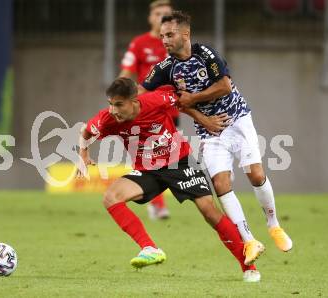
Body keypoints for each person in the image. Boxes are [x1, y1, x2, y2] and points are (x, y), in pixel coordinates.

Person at [140, 11, 293, 261]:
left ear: (185, 34)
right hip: (210, 132)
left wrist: (192, 99)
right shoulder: (165, 68)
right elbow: (143, 93)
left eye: (169, 35)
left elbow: (225, 86)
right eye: (161, 36)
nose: (164, 40)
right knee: (220, 184)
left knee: (255, 174)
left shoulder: (206, 54)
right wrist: (199, 117)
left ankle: (274, 225)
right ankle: (249, 241)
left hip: (238, 120)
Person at [77, 77, 261, 282]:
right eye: (110, 104)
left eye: (119, 104)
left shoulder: (158, 100)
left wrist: (204, 119)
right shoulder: (107, 119)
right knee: (111, 197)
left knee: (208, 210)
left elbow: (183, 101)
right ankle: (150, 248)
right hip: (148, 171)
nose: (113, 110)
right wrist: (83, 154)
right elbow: (85, 131)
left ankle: (249, 267)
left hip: (180, 163)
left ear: (134, 100)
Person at [118, 0, 176, 220]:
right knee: (147, 156)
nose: (162, 17)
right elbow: (126, 72)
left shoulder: (176, 44)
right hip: (144, 109)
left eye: (166, 14)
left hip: (171, 109)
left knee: (168, 157)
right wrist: (119, 97)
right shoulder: (139, 43)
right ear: (150, 17)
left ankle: (156, 199)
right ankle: (158, 203)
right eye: (158, 13)